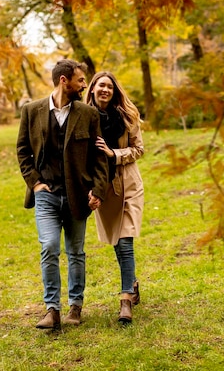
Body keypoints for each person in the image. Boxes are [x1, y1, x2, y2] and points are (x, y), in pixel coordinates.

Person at [17, 59, 109, 330]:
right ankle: (51, 309)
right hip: (46, 193)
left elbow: (99, 157)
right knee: (49, 248)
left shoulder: (88, 114)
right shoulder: (31, 111)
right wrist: (34, 183)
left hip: (78, 195)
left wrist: (98, 189)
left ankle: (75, 306)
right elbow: (23, 150)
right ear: (63, 80)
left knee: (76, 252)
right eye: (81, 80)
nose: (85, 85)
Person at [84, 71, 144, 324]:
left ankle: (125, 300)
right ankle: (132, 284)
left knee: (125, 242)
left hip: (128, 184)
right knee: (118, 243)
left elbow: (139, 149)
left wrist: (113, 153)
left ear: (114, 90)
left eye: (109, 86)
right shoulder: (84, 117)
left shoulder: (128, 116)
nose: (105, 90)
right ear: (93, 89)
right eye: (101, 86)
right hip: (104, 187)